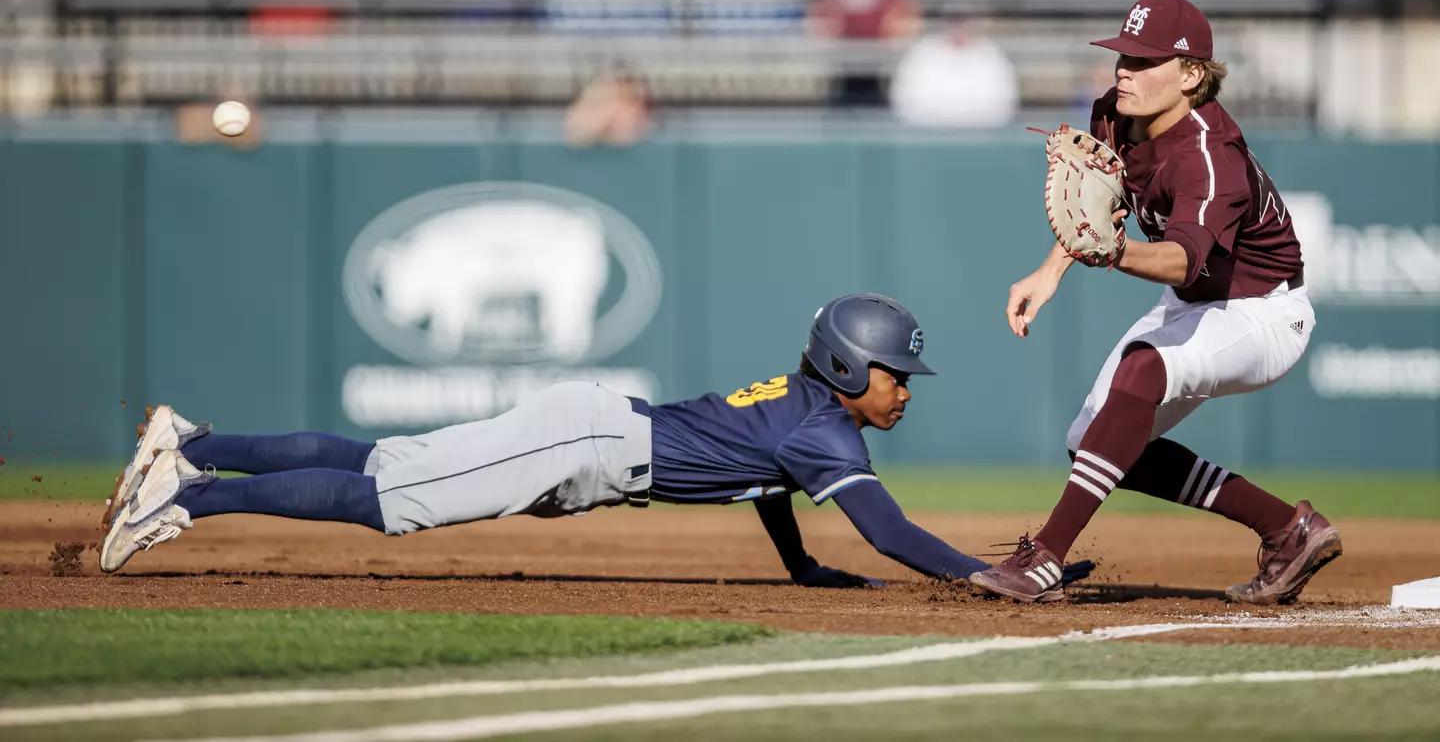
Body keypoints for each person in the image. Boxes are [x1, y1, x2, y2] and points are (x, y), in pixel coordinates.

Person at [100, 293, 1093, 594]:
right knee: (385, 499)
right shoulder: (822, 423)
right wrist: (976, 574)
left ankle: (193, 440)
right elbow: (885, 527)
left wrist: (800, 569)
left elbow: (774, 489)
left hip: (591, 432)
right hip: (582, 442)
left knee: (380, 460)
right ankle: (184, 495)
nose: (903, 389)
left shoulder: (806, 417)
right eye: (894, 373)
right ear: (845, 369)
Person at [969, 0, 1339, 606]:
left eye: (1144, 62)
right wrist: (1051, 269)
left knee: (1145, 369)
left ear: (1192, 75)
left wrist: (1110, 253)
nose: (1124, 71)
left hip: (1265, 309)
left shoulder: (1211, 157)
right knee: (1095, 441)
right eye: (1123, 56)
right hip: (1196, 301)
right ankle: (1287, 528)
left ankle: (1044, 559)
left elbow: (1181, 258)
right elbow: (1097, 207)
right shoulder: (1111, 114)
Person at [889, 9, 1019, 128]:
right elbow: (906, 100)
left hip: (981, 136)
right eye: (954, 22)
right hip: (929, 134)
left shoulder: (991, 54)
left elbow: (1003, 103)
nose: (959, 29)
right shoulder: (922, 52)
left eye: (964, 22)